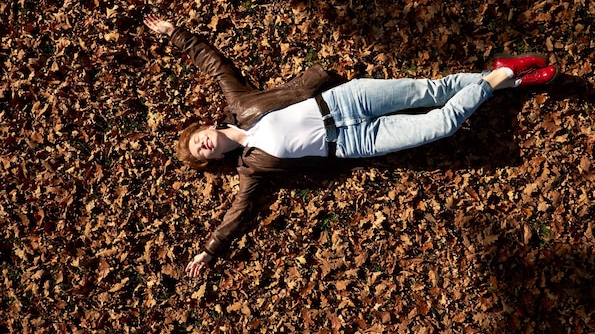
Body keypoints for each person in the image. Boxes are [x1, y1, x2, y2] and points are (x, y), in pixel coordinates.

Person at [143, 14, 558, 278]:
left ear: (205, 128)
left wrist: (175, 34)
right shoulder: (251, 169)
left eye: (196, 140)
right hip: (352, 142)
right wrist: (209, 251)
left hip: (345, 100)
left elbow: (215, 64)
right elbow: (238, 213)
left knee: (435, 89)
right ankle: (502, 76)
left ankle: (514, 77)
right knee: (441, 125)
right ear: (213, 158)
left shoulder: (240, 105)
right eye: (200, 153)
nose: (201, 145)